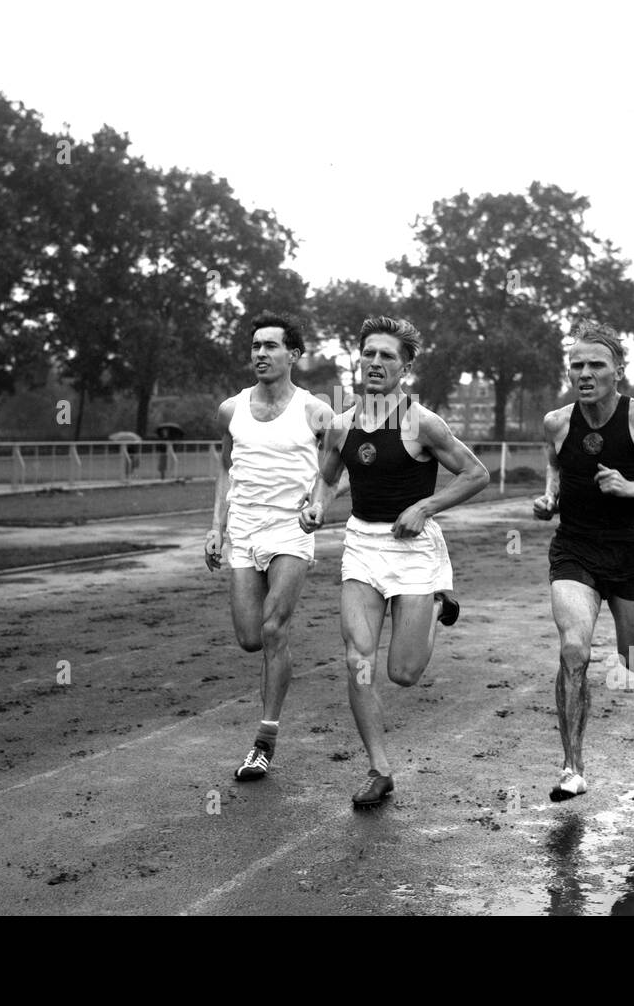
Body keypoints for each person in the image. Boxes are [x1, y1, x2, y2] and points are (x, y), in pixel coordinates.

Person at [299, 316, 489, 808]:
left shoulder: (422, 423)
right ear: (357, 359)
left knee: (403, 673)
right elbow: (327, 477)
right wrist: (318, 506)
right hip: (362, 545)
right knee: (357, 659)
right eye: (369, 353)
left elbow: (476, 473)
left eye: (387, 355)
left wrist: (425, 506)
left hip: (413, 551)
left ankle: (437, 603)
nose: (376, 362)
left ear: (406, 366)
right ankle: (379, 769)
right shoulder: (340, 425)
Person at [532, 323, 634, 801]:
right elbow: (555, 464)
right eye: (577, 365)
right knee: (573, 650)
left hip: (631, 550)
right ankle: (572, 768)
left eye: (596, 365)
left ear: (617, 371)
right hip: (576, 548)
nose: (584, 374)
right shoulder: (557, 422)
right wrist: (551, 498)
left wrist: (633, 488)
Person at [205, 312, 335, 782]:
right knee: (250, 638)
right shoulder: (230, 409)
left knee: (275, 629)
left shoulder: (316, 412)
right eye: (256, 345)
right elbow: (225, 468)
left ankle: (264, 742)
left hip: (290, 533)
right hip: (244, 533)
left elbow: (336, 471)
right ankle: (276, 661)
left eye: (271, 346)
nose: (260, 353)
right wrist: (216, 527)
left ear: (294, 355)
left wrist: (319, 503)